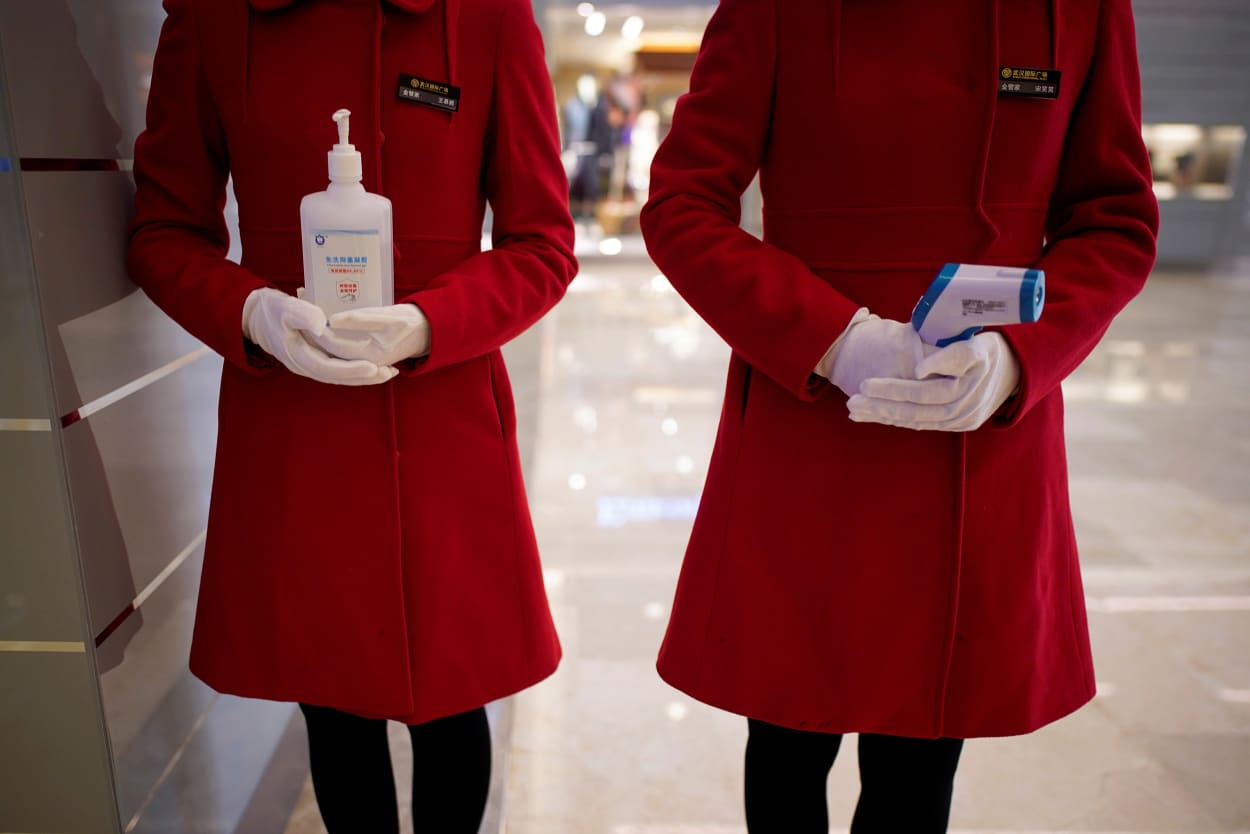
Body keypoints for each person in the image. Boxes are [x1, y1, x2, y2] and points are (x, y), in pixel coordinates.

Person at [639, 1, 1158, 832]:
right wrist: (832, 338)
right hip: (810, 423)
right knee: (785, 742)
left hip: (978, 430)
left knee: (923, 760)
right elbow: (682, 202)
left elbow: (1115, 218)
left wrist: (1023, 352)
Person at [127, 0, 575, 830]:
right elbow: (162, 231)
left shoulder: (488, 18)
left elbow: (542, 243)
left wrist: (434, 319)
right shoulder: (215, 20)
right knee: (330, 700)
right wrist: (250, 311)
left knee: (455, 694)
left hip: (443, 416)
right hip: (294, 421)